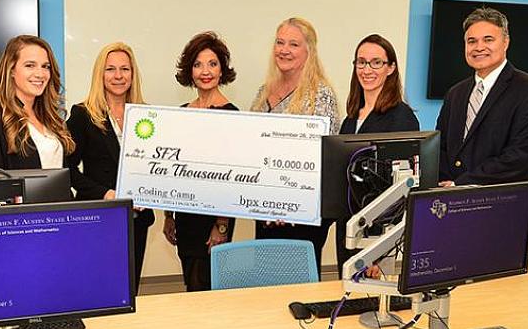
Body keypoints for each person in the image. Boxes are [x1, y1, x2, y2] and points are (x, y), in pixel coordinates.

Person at [250, 17, 340, 278]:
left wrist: (287, 203)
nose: (284, 50)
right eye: (279, 42)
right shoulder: (263, 93)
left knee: (297, 288)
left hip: (300, 213)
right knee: (266, 283)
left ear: (308, 51)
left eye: (293, 44)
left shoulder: (320, 94)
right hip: (265, 210)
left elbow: (319, 157)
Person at [66, 42, 155, 291]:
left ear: (132, 74)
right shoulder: (83, 114)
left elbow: (154, 166)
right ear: (100, 74)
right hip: (100, 216)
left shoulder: (146, 115)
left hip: (137, 218)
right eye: (111, 69)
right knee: (100, 288)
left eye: (125, 69)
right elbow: (68, 170)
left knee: (130, 289)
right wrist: (106, 194)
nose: (118, 76)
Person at [436, 7, 528, 186]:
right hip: (450, 198)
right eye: (471, 41)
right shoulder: (455, 93)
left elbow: (518, 156)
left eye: (488, 40)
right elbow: (440, 146)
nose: (479, 47)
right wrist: (445, 182)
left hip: (499, 203)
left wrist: (461, 184)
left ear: (506, 43)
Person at [337, 34, 419, 277]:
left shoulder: (402, 117)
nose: (367, 69)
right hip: (349, 224)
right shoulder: (351, 118)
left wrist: (380, 251)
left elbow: (400, 188)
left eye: (376, 62)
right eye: (361, 62)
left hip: (379, 231)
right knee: (347, 293)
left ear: (391, 68)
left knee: (372, 302)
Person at [161, 32, 239, 291]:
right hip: (186, 216)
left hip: (215, 217)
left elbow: (233, 176)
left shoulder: (233, 115)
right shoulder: (181, 113)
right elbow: (173, 169)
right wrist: (168, 216)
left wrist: (221, 225)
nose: (205, 71)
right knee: (190, 285)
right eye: (198, 64)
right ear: (190, 71)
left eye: (212, 64)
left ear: (221, 70)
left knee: (207, 286)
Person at [0, 35, 75, 170]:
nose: (40, 74)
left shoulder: (51, 117)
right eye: (30, 65)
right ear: (11, 70)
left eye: (45, 66)